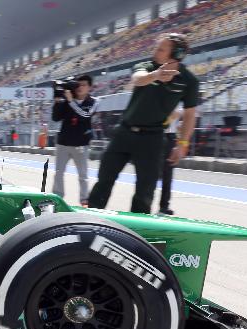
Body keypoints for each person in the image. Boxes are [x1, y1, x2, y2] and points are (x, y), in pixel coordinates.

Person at [87, 33, 199, 213]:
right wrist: (156, 75)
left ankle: (137, 233)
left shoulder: (189, 81)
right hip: (124, 133)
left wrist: (183, 143)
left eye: (161, 49)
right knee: (104, 180)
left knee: (145, 191)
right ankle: (91, 218)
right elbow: (137, 79)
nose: (155, 51)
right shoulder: (146, 66)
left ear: (177, 54)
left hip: (152, 139)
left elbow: (190, 114)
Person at [51, 74, 99, 206]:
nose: (80, 87)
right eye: (78, 84)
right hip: (63, 143)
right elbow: (56, 117)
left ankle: (84, 200)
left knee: (83, 175)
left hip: (81, 145)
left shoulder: (94, 101)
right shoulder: (66, 99)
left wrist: (71, 101)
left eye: (84, 85)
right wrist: (57, 99)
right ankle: (56, 197)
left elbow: (85, 115)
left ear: (89, 87)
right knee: (58, 173)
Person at [159, 104, 184, 215]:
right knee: (150, 174)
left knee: (168, 174)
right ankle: (144, 206)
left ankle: (164, 206)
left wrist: (179, 142)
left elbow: (177, 122)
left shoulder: (179, 103)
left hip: (170, 137)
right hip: (156, 135)